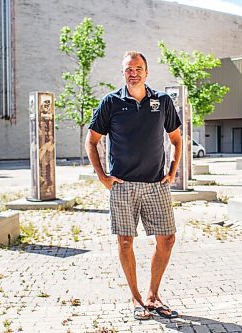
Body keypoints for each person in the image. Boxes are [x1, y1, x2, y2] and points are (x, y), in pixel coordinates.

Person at [85, 51, 182, 321]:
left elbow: (176, 139)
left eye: (138, 68)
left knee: (168, 239)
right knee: (125, 242)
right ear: (123, 73)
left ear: (146, 72)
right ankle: (136, 299)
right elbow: (91, 140)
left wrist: (172, 172)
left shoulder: (161, 101)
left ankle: (153, 296)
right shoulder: (111, 102)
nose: (134, 73)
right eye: (129, 69)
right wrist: (103, 176)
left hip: (155, 185)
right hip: (123, 185)